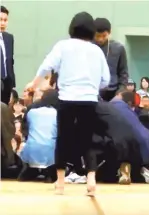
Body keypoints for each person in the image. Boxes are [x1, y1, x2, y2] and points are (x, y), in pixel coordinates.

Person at [25, 12, 110, 196]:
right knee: (88, 139)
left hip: (67, 98)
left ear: (72, 27)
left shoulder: (63, 46)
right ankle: (91, 179)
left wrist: (34, 83)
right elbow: (106, 80)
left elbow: (47, 66)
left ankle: (61, 182)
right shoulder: (96, 50)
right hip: (89, 99)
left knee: (63, 138)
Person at [94, 18, 128, 101]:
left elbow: (123, 73)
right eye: (98, 36)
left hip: (112, 93)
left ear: (109, 33)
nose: (100, 39)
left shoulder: (118, 48)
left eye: (104, 36)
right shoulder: (88, 47)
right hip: (92, 91)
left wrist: (120, 93)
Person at [1, 6, 15, 104]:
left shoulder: (9, 38)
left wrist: (11, 88)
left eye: (5, 20)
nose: (2, 23)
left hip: (6, 84)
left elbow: (10, 62)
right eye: (0, 20)